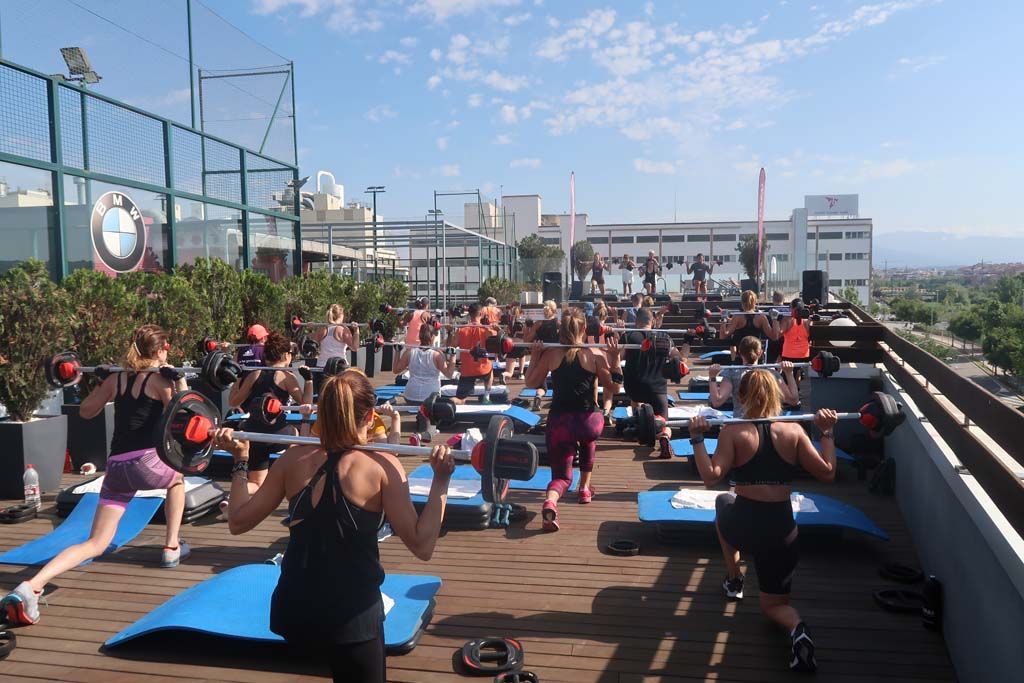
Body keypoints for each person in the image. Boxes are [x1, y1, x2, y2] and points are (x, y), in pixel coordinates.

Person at [214, 369, 455, 683]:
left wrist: (240, 460)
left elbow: (237, 522)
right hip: (353, 618)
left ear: (322, 412)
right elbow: (423, 546)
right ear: (369, 416)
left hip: (293, 612)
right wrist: (441, 479)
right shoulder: (383, 466)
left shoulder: (291, 459)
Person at [0, 325, 190, 626]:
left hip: (117, 469)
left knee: (96, 542)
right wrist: (178, 381)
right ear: (160, 350)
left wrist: (100, 384)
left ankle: (31, 586)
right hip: (149, 465)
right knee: (177, 479)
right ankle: (171, 547)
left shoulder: (116, 378)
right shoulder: (161, 381)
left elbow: (86, 411)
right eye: (166, 348)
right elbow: (185, 417)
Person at [689, 369, 840, 672]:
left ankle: (734, 578)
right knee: (774, 606)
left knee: (723, 502)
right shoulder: (794, 431)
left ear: (740, 396)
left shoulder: (733, 431)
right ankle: (797, 628)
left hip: (743, 525)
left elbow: (710, 478)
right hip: (782, 532)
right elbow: (828, 473)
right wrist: (826, 432)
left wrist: (697, 438)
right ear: (777, 395)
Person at [524, 309, 621, 531]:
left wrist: (535, 356)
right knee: (588, 439)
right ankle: (585, 489)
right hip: (588, 423)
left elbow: (530, 383)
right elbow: (615, 388)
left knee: (562, 477)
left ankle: (551, 501)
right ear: (584, 329)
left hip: (560, 424)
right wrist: (615, 359)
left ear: (561, 329)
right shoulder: (595, 354)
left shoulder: (551, 355)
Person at [228, 332, 313, 494]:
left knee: (256, 483)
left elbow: (233, 402)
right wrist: (309, 381)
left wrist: (237, 379)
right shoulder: (287, 377)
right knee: (298, 433)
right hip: (277, 435)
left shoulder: (254, 374)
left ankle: (229, 497)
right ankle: (295, 475)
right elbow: (306, 406)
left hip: (253, 435)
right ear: (286, 355)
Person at [623, 308, 684, 459]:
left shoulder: (628, 336)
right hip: (658, 389)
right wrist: (688, 342)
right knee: (665, 423)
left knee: (635, 401)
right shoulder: (665, 337)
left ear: (636, 321)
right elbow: (680, 358)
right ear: (653, 321)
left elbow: (616, 358)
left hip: (634, 387)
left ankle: (637, 424)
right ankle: (664, 435)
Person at [392, 323, 457, 443]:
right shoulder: (437, 354)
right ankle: (420, 435)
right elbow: (449, 374)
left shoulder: (409, 352)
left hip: (410, 396)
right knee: (434, 425)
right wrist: (453, 356)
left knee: (425, 413)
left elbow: (395, 370)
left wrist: (397, 352)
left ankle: (422, 419)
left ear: (420, 336)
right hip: (430, 400)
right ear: (432, 337)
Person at [708, 336, 799, 416]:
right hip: (769, 423)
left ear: (739, 352)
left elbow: (717, 402)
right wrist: (789, 373)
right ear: (760, 353)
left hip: (743, 423)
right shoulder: (771, 373)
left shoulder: (732, 373)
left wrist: (712, 377)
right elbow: (793, 400)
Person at [447, 303, 497, 404]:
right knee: (490, 369)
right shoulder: (486, 330)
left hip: (467, 371)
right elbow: (498, 341)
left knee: (461, 400)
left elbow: (450, 347)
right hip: (483, 370)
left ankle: (449, 401)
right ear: (481, 314)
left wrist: (449, 332)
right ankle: (486, 396)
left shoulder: (461, 330)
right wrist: (497, 330)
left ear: (469, 314)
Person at [719, 290, 780, 362]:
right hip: (755, 358)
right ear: (755, 302)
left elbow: (723, 336)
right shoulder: (761, 317)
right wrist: (775, 319)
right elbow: (774, 337)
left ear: (742, 302)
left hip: (742, 358)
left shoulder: (737, 317)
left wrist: (723, 319)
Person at [522, 300, 560, 410]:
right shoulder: (558, 323)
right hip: (555, 354)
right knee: (558, 379)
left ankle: (538, 396)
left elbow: (526, 340)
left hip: (541, 354)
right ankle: (556, 400)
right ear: (554, 310)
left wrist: (527, 328)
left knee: (541, 384)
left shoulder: (538, 323)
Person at [315, 304, 358, 372]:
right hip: (339, 367)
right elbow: (355, 348)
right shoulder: (343, 329)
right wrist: (356, 332)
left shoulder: (321, 329)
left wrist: (310, 329)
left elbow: (312, 346)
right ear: (341, 315)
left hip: (322, 367)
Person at [766, 292, 787, 363]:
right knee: (785, 363)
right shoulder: (788, 311)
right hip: (785, 340)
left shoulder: (767, 311)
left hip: (772, 340)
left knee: (770, 364)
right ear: (784, 299)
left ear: (773, 300)